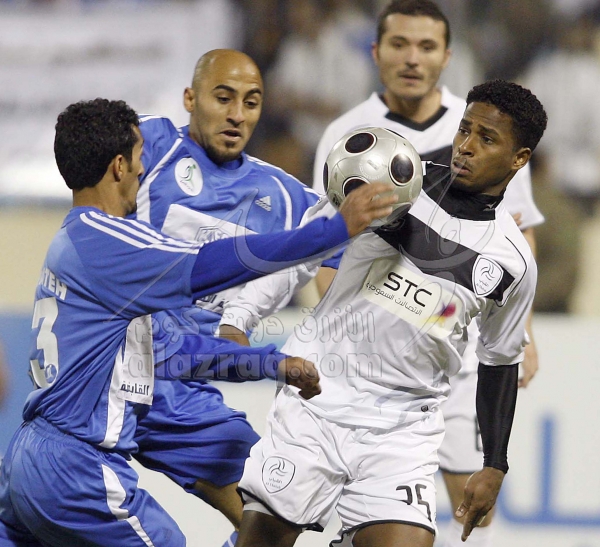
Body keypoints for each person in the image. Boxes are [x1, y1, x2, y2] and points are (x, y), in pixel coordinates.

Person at [0, 98, 396, 547]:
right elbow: (216, 263)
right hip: (76, 467)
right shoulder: (110, 244)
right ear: (118, 166)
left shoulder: (77, 243)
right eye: (139, 157)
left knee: (265, 498)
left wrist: (272, 364)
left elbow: (173, 353)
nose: (143, 169)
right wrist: (332, 231)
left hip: (30, 462)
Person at [235, 79, 547, 547]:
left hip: (403, 428)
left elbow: (500, 360)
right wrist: (239, 317)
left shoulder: (512, 261)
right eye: (464, 129)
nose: (465, 146)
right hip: (320, 399)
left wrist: (494, 464)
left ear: (518, 159)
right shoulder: (396, 180)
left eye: (487, 138)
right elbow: (304, 247)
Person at [311, 2, 544, 545]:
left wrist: (523, 331)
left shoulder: (489, 124)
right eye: (399, 45)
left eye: (426, 46)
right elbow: (327, 249)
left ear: (447, 57)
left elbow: (518, 236)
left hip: (457, 357)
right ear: (376, 52)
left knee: (471, 505)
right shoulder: (349, 134)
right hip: (371, 363)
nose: (412, 59)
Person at [132, 49, 351, 544]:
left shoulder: (285, 196)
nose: (237, 115)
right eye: (223, 98)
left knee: (272, 513)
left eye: (250, 103)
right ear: (190, 99)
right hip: (120, 367)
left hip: (185, 391)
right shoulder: (154, 146)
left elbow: (347, 240)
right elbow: (86, 148)